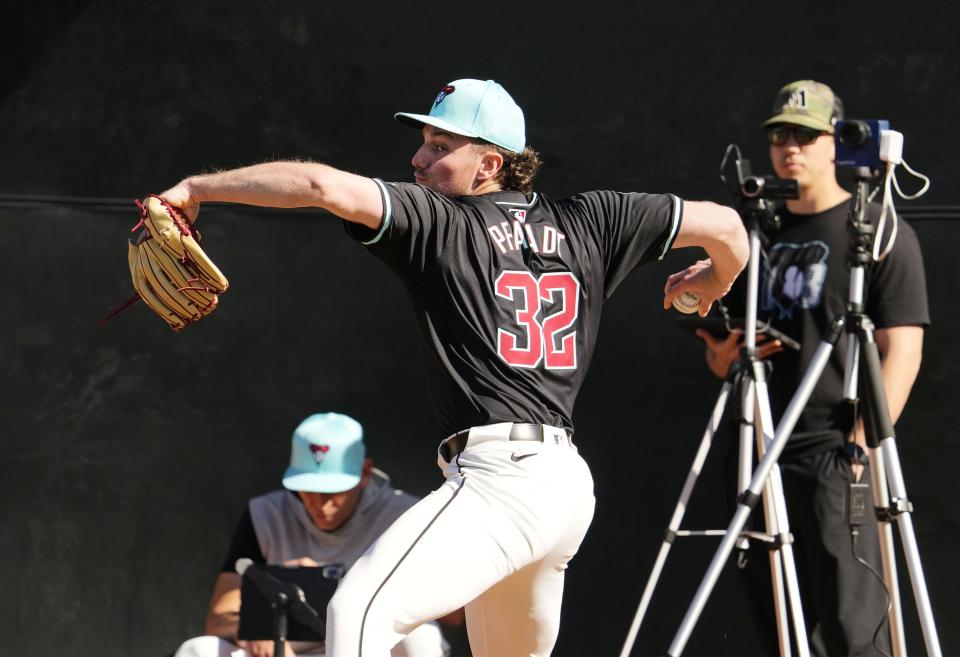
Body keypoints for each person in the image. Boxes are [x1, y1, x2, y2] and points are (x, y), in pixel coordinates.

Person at [158, 78, 749, 656]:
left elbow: (317, 184)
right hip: (564, 485)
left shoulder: (439, 223)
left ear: (489, 164)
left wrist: (199, 188)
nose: (418, 159)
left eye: (441, 148)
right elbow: (727, 226)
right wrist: (712, 280)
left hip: (502, 479)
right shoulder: (593, 219)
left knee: (357, 612)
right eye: (423, 142)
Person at [695, 80, 929, 656]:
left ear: (836, 143)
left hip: (832, 450)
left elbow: (902, 349)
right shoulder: (758, 233)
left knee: (852, 622)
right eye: (779, 135)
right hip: (758, 447)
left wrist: (861, 444)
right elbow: (729, 344)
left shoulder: (876, 231)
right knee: (778, 619)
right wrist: (720, 357)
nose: (789, 147)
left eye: (805, 134)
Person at [173, 412, 455, 657]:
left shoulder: (403, 514)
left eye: (334, 490)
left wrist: (346, 588)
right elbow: (218, 617)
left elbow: (456, 613)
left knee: (421, 636)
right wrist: (252, 631)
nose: (321, 503)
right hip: (289, 650)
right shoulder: (266, 515)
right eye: (309, 488)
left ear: (364, 473)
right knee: (199, 650)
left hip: (370, 646)